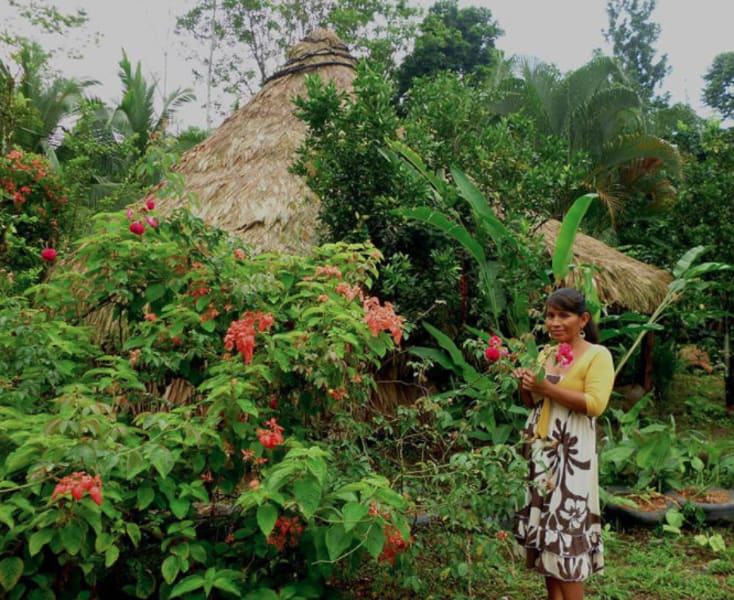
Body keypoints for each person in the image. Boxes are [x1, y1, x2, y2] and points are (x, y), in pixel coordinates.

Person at [512, 287, 614, 600]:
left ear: (583, 319)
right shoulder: (548, 353)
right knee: (546, 542)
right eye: (550, 315)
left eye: (564, 315)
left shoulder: (598, 355)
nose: (555, 322)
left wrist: (547, 387)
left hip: (572, 457)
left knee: (565, 541)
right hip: (541, 452)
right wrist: (525, 384)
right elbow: (533, 403)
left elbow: (595, 404)